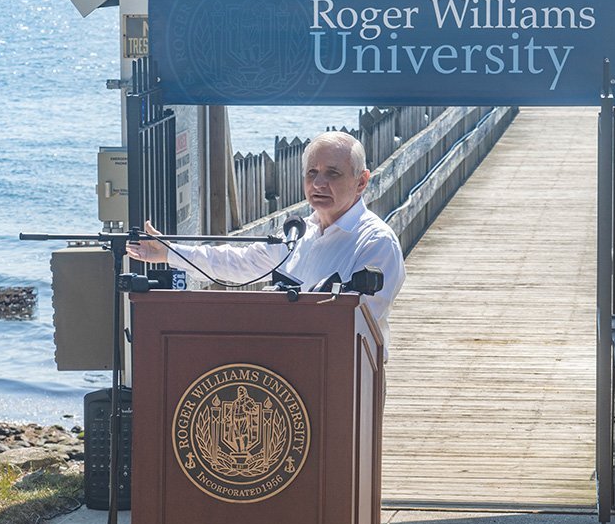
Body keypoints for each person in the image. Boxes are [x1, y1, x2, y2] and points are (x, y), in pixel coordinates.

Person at [126, 131, 406, 358]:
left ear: (361, 182)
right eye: (312, 173)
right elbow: (239, 263)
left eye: (333, 173)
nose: (319, 183)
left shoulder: (376, 242)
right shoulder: (300, 233)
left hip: (347, 380)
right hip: (287, 370)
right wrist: (170, 252)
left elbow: (361, 322)